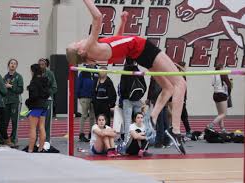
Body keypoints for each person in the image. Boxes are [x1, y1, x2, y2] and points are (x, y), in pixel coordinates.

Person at [66, 0, 186, 154]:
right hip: (143, 48)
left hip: (139, 54)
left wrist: (123, 22)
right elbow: (97, 17)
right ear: (81, 52)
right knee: (180, 83)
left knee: (168, 87)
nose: (79, 40)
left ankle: (152, 118)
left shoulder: (97, 52)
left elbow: (117, 40)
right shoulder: (90, 47)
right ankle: (176, 131)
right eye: (77, 43)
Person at [119, 59, 146, 142]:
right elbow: (144, 85)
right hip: (137, 99)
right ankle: (141, 140)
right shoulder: (138, 71)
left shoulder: (125, 72)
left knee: (127, 122)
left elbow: (122, 87)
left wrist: (124, 97)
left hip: (127, 100)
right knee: (139, 121)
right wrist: (139, 96)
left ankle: (127, 141)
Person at [25, 64, 50, 153]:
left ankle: (30, 149)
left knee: (32, 128)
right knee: (42, 127)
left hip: (36, 106)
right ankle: (40, 148)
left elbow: (34, 96)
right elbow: (48, 93)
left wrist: (27, 102)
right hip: (44, 106)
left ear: (33, 71)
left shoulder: (34, 82)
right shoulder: (45, 80)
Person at [1, 59, 24, 147]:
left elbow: (20, 90)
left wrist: (11, 86)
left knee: (14, 122)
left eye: (14, 64)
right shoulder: (5, 77)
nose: (13, 65)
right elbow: (2, 90)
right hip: (6, 102)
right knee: (5, 121)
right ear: (8, 65)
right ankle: (5, 138)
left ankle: (14, 139)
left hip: (15, 101)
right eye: (11, 63)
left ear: (16, 66)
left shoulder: (19, 77)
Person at [147, 77, 170, 148]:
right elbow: (152, 87)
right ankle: (163, 142)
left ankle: (161, 142)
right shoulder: (161, 75)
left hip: (160, 100)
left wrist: (149, 98)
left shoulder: (156, 75)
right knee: (163, 122)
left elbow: (152, 88)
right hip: (161, 100)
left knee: (162, 123)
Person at [207, 64, 232, 133]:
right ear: (221, 68)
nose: (224, 69)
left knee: (220, 114)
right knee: (224, 114)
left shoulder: (214, 74)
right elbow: (229, 85)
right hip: (222, 94)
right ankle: (210, 125)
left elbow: (212, 84)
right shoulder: (223, 73)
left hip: (215, 94)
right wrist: (228, 95)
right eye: (223, 68)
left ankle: (223, 129)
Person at [38, 58, 57, 143]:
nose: (41, 66)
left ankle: (47, 141)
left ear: (46, 65)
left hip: (48, 100)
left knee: (47, 121)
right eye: (40, 64)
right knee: (38, 121)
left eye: (43, 64)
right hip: (38, 101)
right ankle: (38, 139)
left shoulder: (50, 74)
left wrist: (47, 93)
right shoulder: (36, 73)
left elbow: (54, 87)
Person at [77, 64, 97, 142]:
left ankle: (91, 133)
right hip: (84, 96)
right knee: (84, 115)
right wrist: (79, 95)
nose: (92, 63)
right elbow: (78, 84)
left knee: (92, 116)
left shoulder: (97, 72)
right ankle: (81, 134)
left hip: (93, 97)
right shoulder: (83, 72)